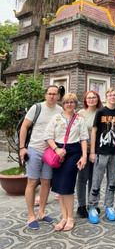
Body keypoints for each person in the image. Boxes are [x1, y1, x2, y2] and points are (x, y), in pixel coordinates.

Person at [19, 85, 62, 230]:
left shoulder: (60, 110)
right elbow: (24, 127)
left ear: (58, 96)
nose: (51, 96)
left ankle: (41, 212)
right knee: (32, 182)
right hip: (35, 149)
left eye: (54, 94)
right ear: (45, 95)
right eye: (49, 93)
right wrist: (22, 147)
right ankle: (31, 215)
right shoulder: (36, 108)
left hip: (50, 153)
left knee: (46, 182)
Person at [44, 93, 89, 231]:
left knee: (68, 185)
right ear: (63, 104)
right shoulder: (56, 118)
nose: (69, 104)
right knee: (59, 186)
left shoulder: (79, 120)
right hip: (58, 152)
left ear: (75, 104)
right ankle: (64, 217)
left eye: (72, 102)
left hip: (74, 151)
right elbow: (48, 136)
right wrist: (56, 149)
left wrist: (84, 156)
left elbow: (83, 139)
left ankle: (70, 217)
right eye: (67, 102)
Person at [88, 88, 115, 224]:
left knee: (112, 181)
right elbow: (94, 131)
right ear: (106, 97)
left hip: (114, 152)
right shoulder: (101, 112)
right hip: (100, 152)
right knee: (96, 179)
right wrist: (92, 151)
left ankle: (109, 205)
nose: (113, 97)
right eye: (110, 95)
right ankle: (93, 206)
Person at [76, 90, 103, 218]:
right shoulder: (80, 113)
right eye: (89, 98)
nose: (91, 100)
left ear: (98, 99)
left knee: (95, 179)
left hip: (98, 150)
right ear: (85, 100)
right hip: (84, 151)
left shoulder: (101, 113)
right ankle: (81, 205)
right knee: (82, 178)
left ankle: (92, 204)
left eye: (94, 98)